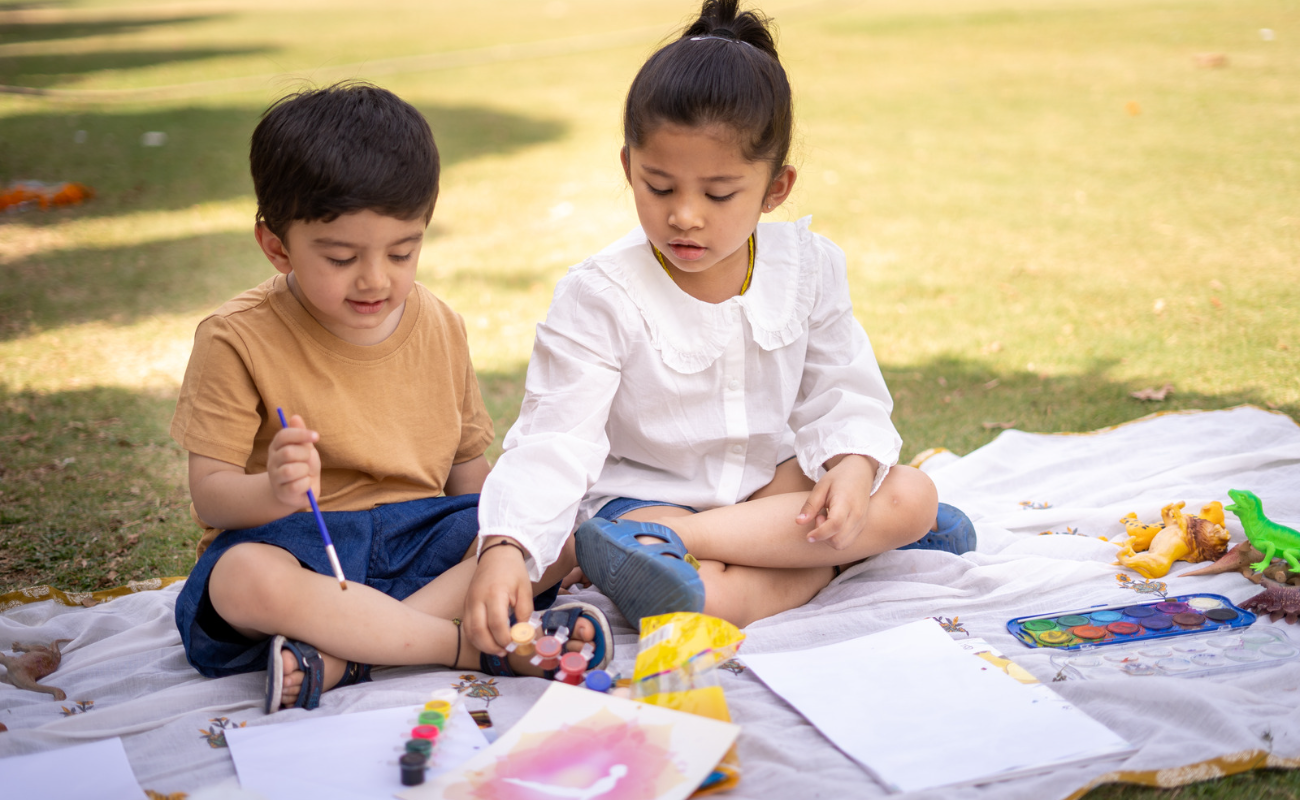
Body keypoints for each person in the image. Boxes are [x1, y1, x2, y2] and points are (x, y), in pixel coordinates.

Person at [465, 0, 976, 656]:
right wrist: (506, 546)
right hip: (644, 506)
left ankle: (724, 547)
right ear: (628, 168)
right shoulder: (598, 295)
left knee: (912, 492)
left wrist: (850, 467)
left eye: (717, 193)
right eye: (659, 186)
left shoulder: (809, 266)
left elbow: (841, 391)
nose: (684, 216)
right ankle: (834, 557)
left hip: (771, 492)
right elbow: (554, 439)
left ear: (775, 187)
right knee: (710, 587)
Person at [170, 83, 611, 712]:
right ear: (276, 245)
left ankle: (344, 655)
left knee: (552, 528)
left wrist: (502, 545)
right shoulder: (235, 338)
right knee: (241, 580)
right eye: (341, 257)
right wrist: (272, 490)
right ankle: (465, 645)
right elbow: (209, 492)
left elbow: (468, 476)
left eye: (402, 252)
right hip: (301, 549)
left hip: (421, 540)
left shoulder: (440, 323)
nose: (377, 279)